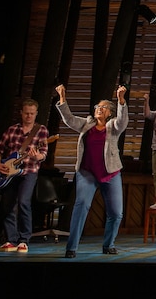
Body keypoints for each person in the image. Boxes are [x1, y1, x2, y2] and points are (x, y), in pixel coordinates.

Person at [55, 83, 129, 258]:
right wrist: (62, 99)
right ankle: (71, 248)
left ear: (109, 112)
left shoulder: (113, 127)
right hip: (87, 173)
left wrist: (120, 100)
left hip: (110, 173)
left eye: (103, 108)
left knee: (116, 213)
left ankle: (108, 244)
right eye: (97, 107)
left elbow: (122, 121)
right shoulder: (87, 124)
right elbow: (70, 119)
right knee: (81, 206)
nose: (99, 109)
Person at [0, 98, 50, 253]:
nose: (29, 116)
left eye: (32, 113)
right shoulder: (12, 130)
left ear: (36, 114)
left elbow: (43, 155)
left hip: (29, 172)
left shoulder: (41, 130)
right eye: (26, 113)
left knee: (24, 202)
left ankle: (24, 240)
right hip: (9, 173)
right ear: (21, 113)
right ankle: (11, 239)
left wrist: (36, 156)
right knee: (7, 205)